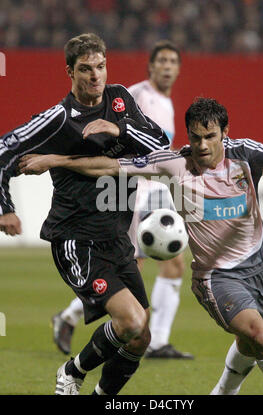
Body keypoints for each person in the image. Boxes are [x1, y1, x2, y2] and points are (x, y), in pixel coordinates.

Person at [21, 97, 263, 395]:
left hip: (259, 269)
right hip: (216, 278)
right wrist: (57, 160)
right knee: (258, 334)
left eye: (210, 137)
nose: (202, 145)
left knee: (249, 344)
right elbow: (110, 167)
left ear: (225, 132)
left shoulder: (246, 154)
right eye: (195, 137)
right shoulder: (174, 163)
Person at [0, 33, 170, 395]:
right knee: (131, 322)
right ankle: (71, 371)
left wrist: (118, 128)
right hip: (77, 239)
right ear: (69, 72)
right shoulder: (57, 120)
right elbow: (3, 151)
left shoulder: (120, 99)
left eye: (101, 66)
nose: (96, 76)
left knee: (140, 337)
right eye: (85, 69)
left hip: (117, 237)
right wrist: (5, 208)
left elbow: (161, 145)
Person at [52, 39, 193, 359]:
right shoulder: (135, 94)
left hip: (150, 188)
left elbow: (156, 148)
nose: (168, 67)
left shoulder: (166, 102)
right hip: (125, 190)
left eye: (173, 62)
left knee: (173, 261)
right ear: (151, 66)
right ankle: (71, 316)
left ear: (179, 69)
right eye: (162, 61)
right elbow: (114, 135)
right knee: (131, 265)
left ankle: (157, 340)